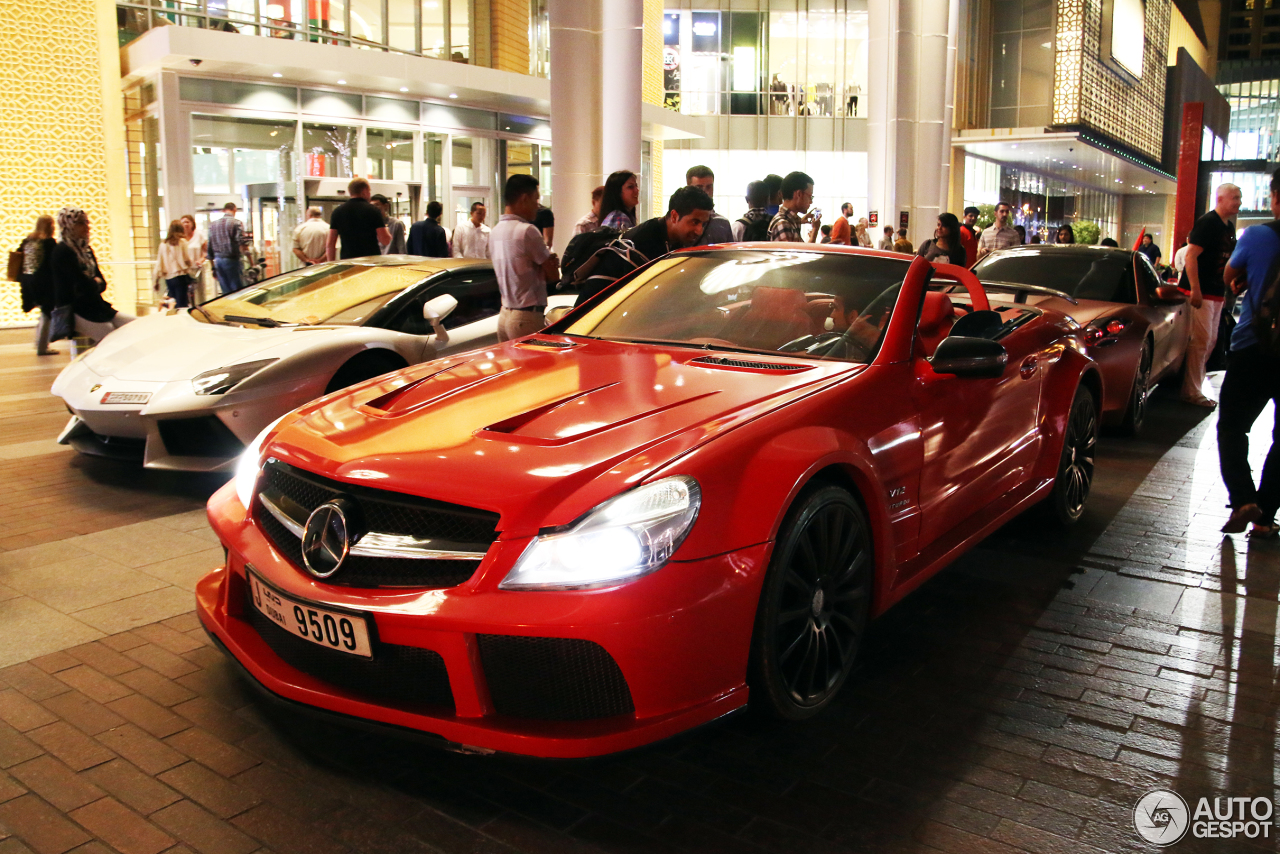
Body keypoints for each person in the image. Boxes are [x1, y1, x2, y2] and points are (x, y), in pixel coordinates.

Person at [1218, 172, 1280, 535]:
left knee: (1232, 428)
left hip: (1253, 347)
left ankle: (1244, 499)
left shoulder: (1257, 235)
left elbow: (1230, 275)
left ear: (1274, 197)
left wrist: (1243, 279)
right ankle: (1265, 517)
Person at [1180, 183, 1241, 408]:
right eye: (1234, 198)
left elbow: (1226, 260)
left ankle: (1193, 386)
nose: (1239, 202)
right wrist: (1195, 288)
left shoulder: (1228, 227)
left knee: (1211, 341)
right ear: (1221, 199)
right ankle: (1191, 390)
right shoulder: (1208, 223)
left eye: (1239, 198)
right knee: (1201, 340)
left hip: (1215, 292)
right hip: (1202, 292)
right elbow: (1190, 256)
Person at [491, 174, 559, 342]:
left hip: (505, 314)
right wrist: (550, 264)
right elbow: (553, 275)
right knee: (536, 367)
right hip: (526, 316)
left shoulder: (495, 231)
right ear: (524, 198)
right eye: (535, 200)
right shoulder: (527, 231)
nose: (537, 206)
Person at [53, 208, 134, 343]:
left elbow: (101, 282)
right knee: (111, 337)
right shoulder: (62, 251)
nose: (86, 227)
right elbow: (80, 284)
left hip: (95, 305)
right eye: (80, 223)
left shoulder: (86, 249)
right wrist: (93, 283)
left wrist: (93, 283)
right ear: (69, 226)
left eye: (86, 222)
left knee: (132, 325)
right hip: (76, 309)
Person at [18, 215, 58, 355]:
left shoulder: (28, 241)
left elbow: (19, 257)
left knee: (43, 313)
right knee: (47, 313)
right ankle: (42, 346)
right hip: (44, 283)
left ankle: (39, 343)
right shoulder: (49, 243)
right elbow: (53, 264)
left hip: (28, 281)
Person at [327, 177, 391, 261]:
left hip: (348, 261)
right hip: (370, 260)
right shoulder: (373, 210)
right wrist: (387, 232)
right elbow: (385, 240)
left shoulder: (337, 211)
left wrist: (331, 264)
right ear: (364, 192)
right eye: (369, 191)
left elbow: (330, 243)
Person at [154, 220, 199, 308]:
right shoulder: (182, 242)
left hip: (168, 279)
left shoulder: (163, 244)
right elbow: (187, 260)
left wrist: (156, 281)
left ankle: (170, 312)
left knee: (173, 301)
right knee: (182, 303)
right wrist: (191, 263)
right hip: (180, 277)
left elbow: (159, 264)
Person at [684, 165, 733, 245]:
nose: (705, 192)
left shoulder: (722, 223)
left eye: (709, 187)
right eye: (699, 187)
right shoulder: (683, 222)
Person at [769, 171, 821, 243]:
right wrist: (815, 230)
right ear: (799, 194)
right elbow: (801, 254)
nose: (811, 202)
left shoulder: (792, 221)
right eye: (810, 197)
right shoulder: (783, 224)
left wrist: (800, 221)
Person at [207, 202, 248, 293]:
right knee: (237, 290)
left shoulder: (212, 225)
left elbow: (209, 246)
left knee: (225, 290)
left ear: (224, 210)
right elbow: (241, 242)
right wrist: (249, 259)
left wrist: (212, 267)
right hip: (232, 260)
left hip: (218, 261)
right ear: (234, 210)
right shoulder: (236, 223)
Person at [180, 214, 210, 303]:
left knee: (198, 294)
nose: (185, 224)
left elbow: (207, 251)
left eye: (187, 222)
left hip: (197, 270)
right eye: (183, 222)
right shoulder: (179, 238)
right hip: (183, 271)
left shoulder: (199, 236)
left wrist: (201, 259)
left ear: (192, 224)